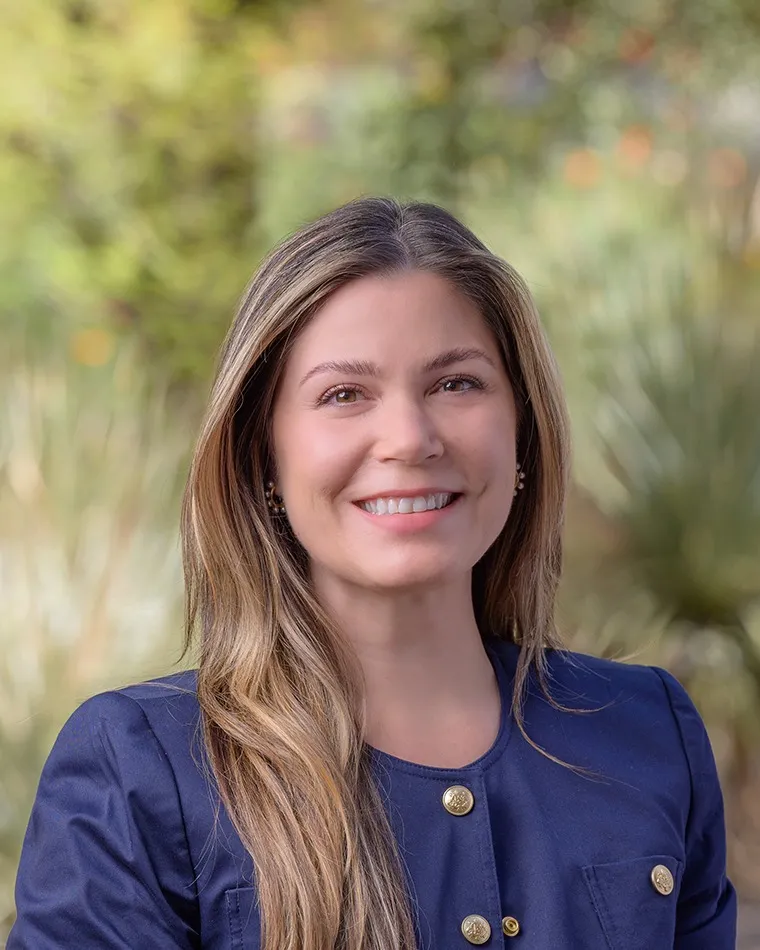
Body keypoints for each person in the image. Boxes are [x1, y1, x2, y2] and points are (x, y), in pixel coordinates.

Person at [9, 197, 736, 949]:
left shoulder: (648, 733)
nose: (409, 438)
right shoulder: (138, 771)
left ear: (521, 429)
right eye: (344, 395)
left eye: (456, 383)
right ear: (265, 455)